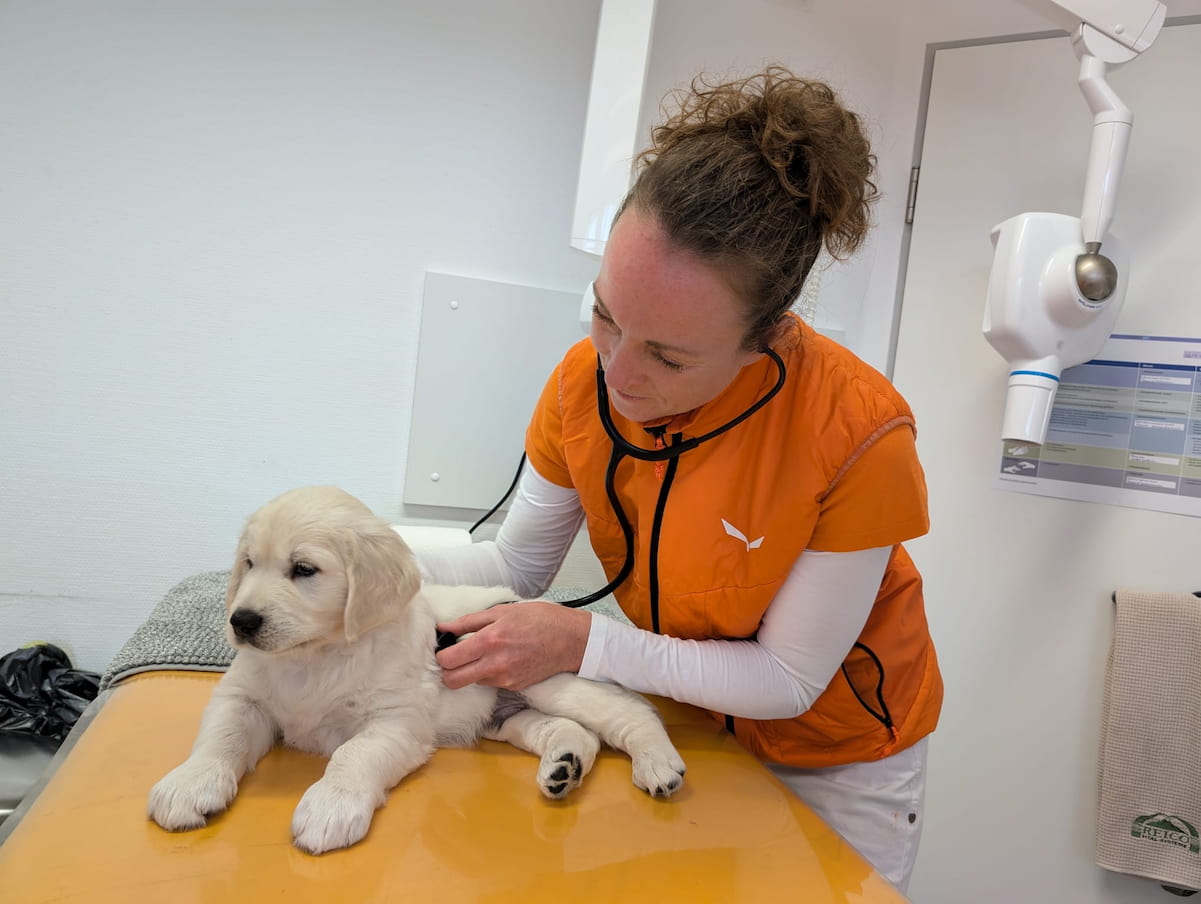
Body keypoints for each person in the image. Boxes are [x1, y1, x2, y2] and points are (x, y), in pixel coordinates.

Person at [417, 64, 942, 893]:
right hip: (691, 719)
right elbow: (516, 567)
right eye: (605, 315)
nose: (617, 371)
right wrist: (360, 552)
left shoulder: (857, 434)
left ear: (764, 341)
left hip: (835, 754)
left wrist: (581, 641)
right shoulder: (579, 383)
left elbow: (785, 679)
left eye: (666, 356)